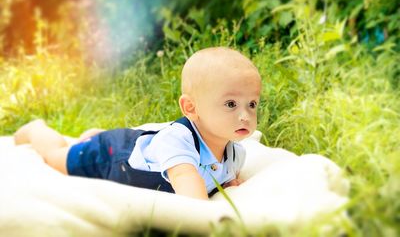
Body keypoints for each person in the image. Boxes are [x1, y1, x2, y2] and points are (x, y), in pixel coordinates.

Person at [14, 47, 262, 200]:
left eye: (252, 104)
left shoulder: (235, 153)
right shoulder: (179, 142)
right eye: (231, 104)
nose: (245, 115)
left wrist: (229, 183)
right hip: (110, 156)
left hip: (141, 145)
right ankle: (37, 129)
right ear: (191, 108)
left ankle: (96, 133)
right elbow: (193, 201)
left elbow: (222, 176)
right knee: (55, 159)